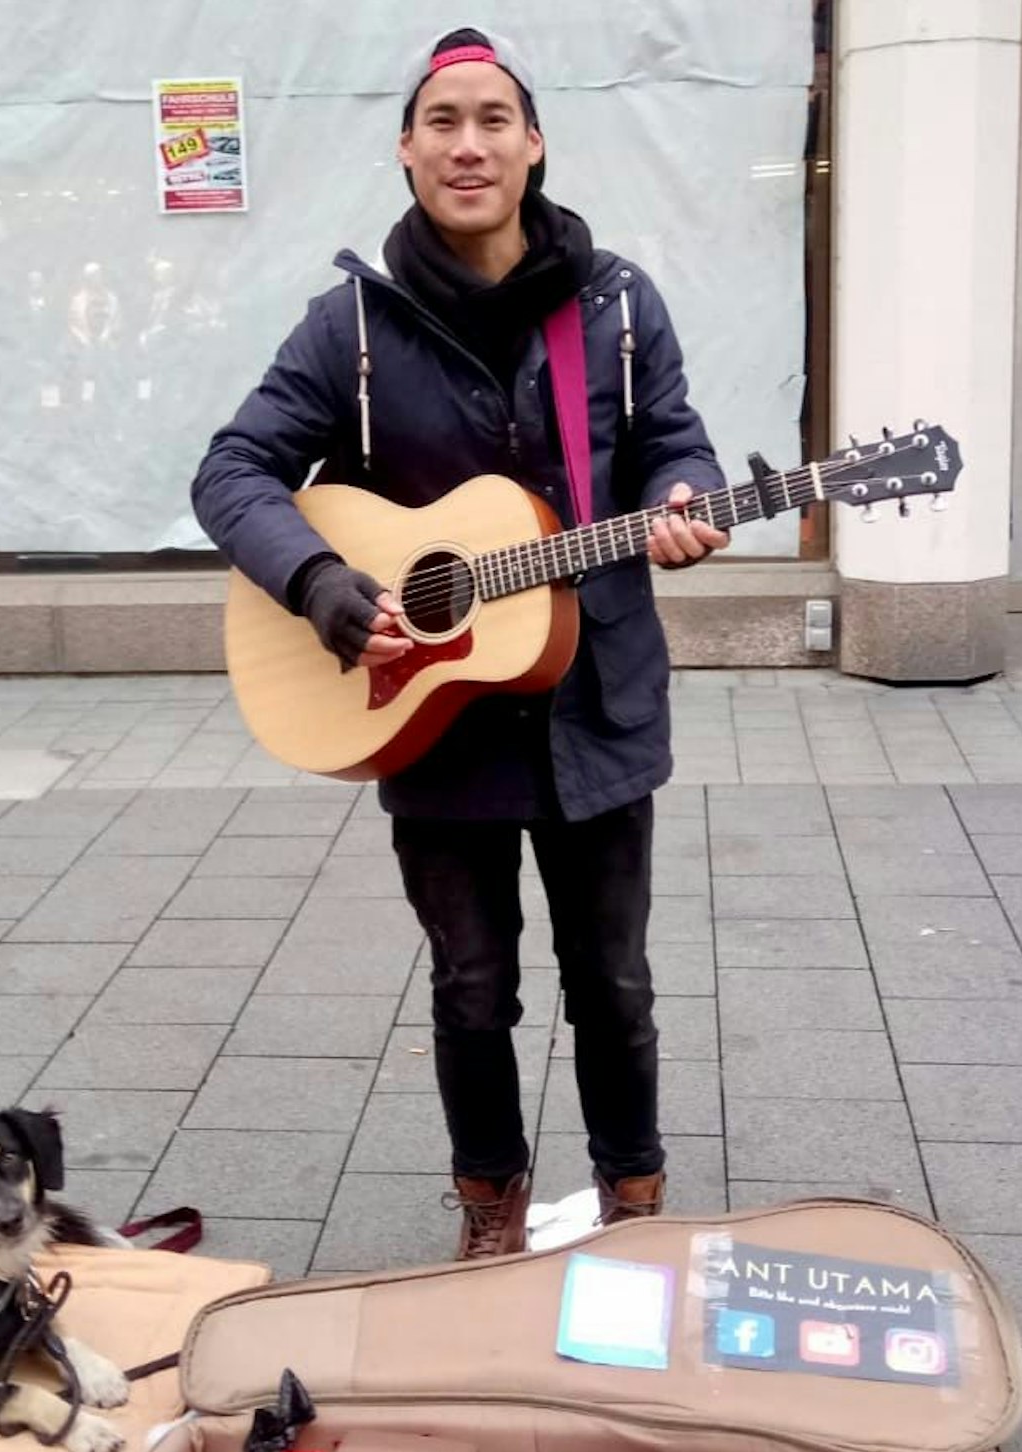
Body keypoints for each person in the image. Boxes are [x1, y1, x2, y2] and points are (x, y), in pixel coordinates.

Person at [191, 27, 729, 1260]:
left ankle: (631, 1206)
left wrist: (691, 495)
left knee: (615, 989)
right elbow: (233, 471)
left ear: (533, 146)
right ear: (405, 150)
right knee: (471, 990)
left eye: (494, 119)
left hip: (594, 698)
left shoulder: (617, 307)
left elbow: (670, 445)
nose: (468, 143)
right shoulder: (352, 329)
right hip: (428, 717)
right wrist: (327, 587)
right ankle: (488, 1210)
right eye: (443, 121)